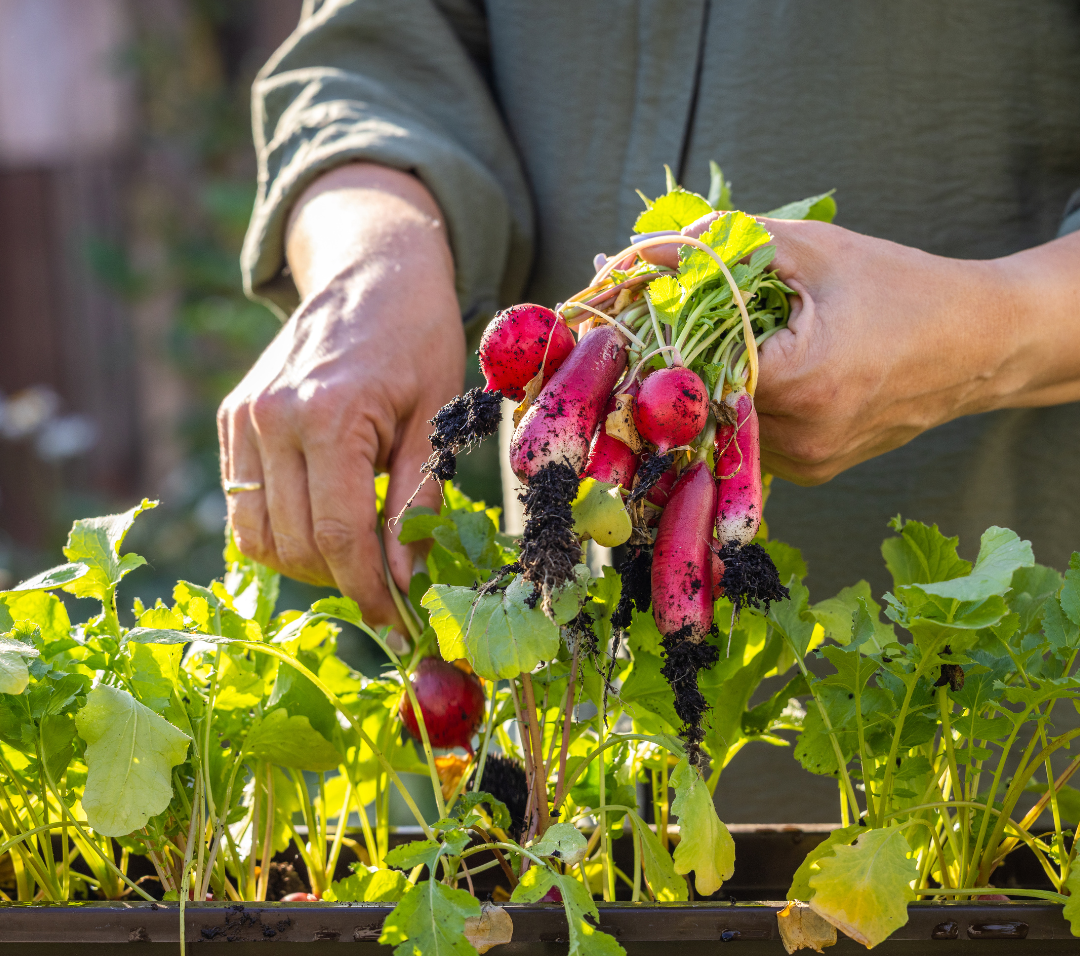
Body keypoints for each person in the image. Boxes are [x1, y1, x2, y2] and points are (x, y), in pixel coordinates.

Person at [219, 0, 1080, 639]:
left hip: (1016, 707)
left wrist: (988, 333)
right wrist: (373, 256)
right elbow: (373, 58)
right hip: (579, 700)